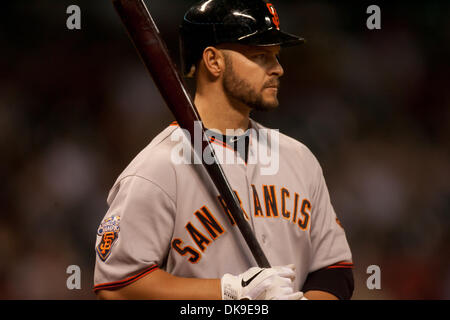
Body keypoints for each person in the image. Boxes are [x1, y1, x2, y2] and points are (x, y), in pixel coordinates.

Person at [93, 0, 354, 300]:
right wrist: (228, 293)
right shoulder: (157, 169)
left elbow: (335, 270)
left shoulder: (299, 158)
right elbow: (117, 288)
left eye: (276, 56)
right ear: (214, 61)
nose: (278, 69)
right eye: (261, 56)